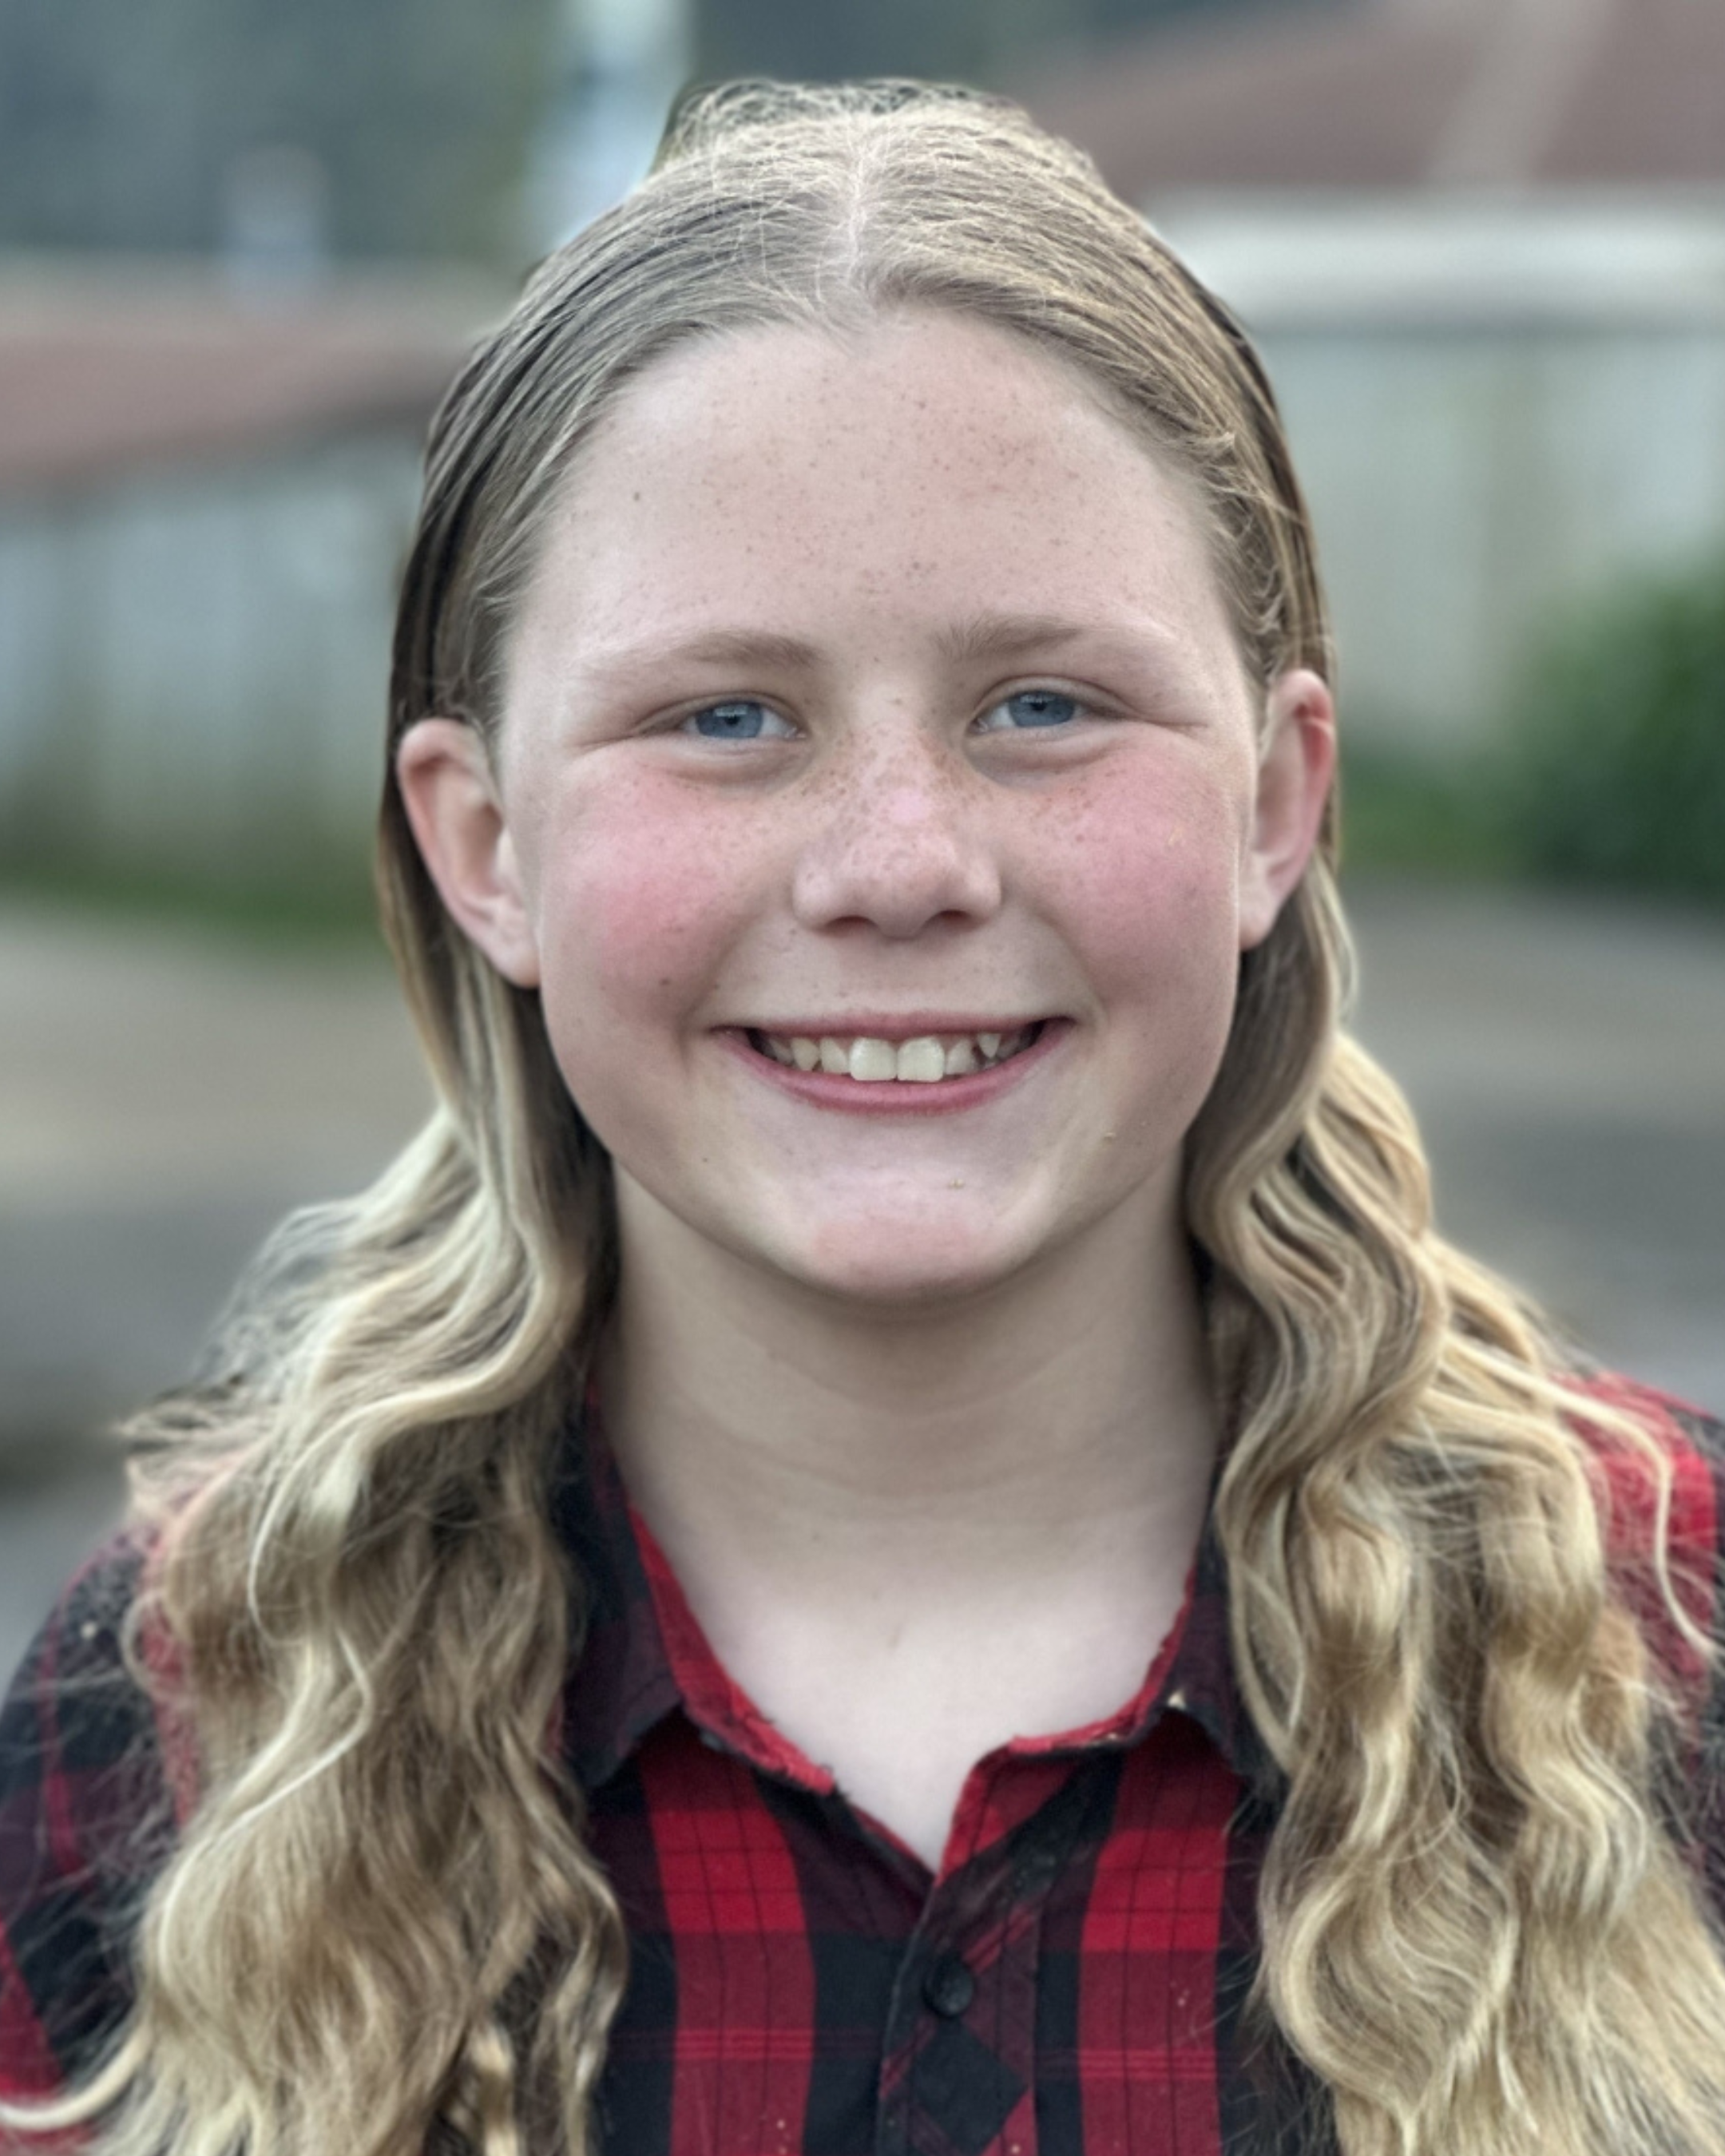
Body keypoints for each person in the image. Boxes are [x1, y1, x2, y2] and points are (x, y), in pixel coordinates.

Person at [2, 78, 1723, 2156]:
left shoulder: (1675, 1639)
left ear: (1276, 804)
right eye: (727, 716)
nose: (900, 865)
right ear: (485, 842)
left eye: (1044, 706)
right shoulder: (171, 1712)